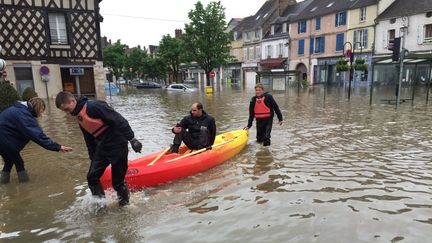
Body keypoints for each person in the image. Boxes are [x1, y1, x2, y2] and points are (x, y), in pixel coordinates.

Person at [55, 91, 142, 206]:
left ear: (72, 101)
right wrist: (93, 157)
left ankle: (124, 208)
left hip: (117, 144)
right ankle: (101, 206)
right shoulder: (79, 115)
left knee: (118, 183)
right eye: (64, 111)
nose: (66, 113)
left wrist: (132, 139)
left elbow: (118, 119)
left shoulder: (93, 106)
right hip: (102, 146)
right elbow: (89, 138)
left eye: (66, 109)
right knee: (92, 177)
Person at [0, 98, 72, 184]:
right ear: (38, 107)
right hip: (5, 141)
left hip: (3, 141)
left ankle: (4, 184)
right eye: (41, 111)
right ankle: (25, 188)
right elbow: (38, 136)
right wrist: (58, 147)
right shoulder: (24, 114)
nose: (40, 114)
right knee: (19, 163)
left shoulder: (17, 109)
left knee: (9, 161)